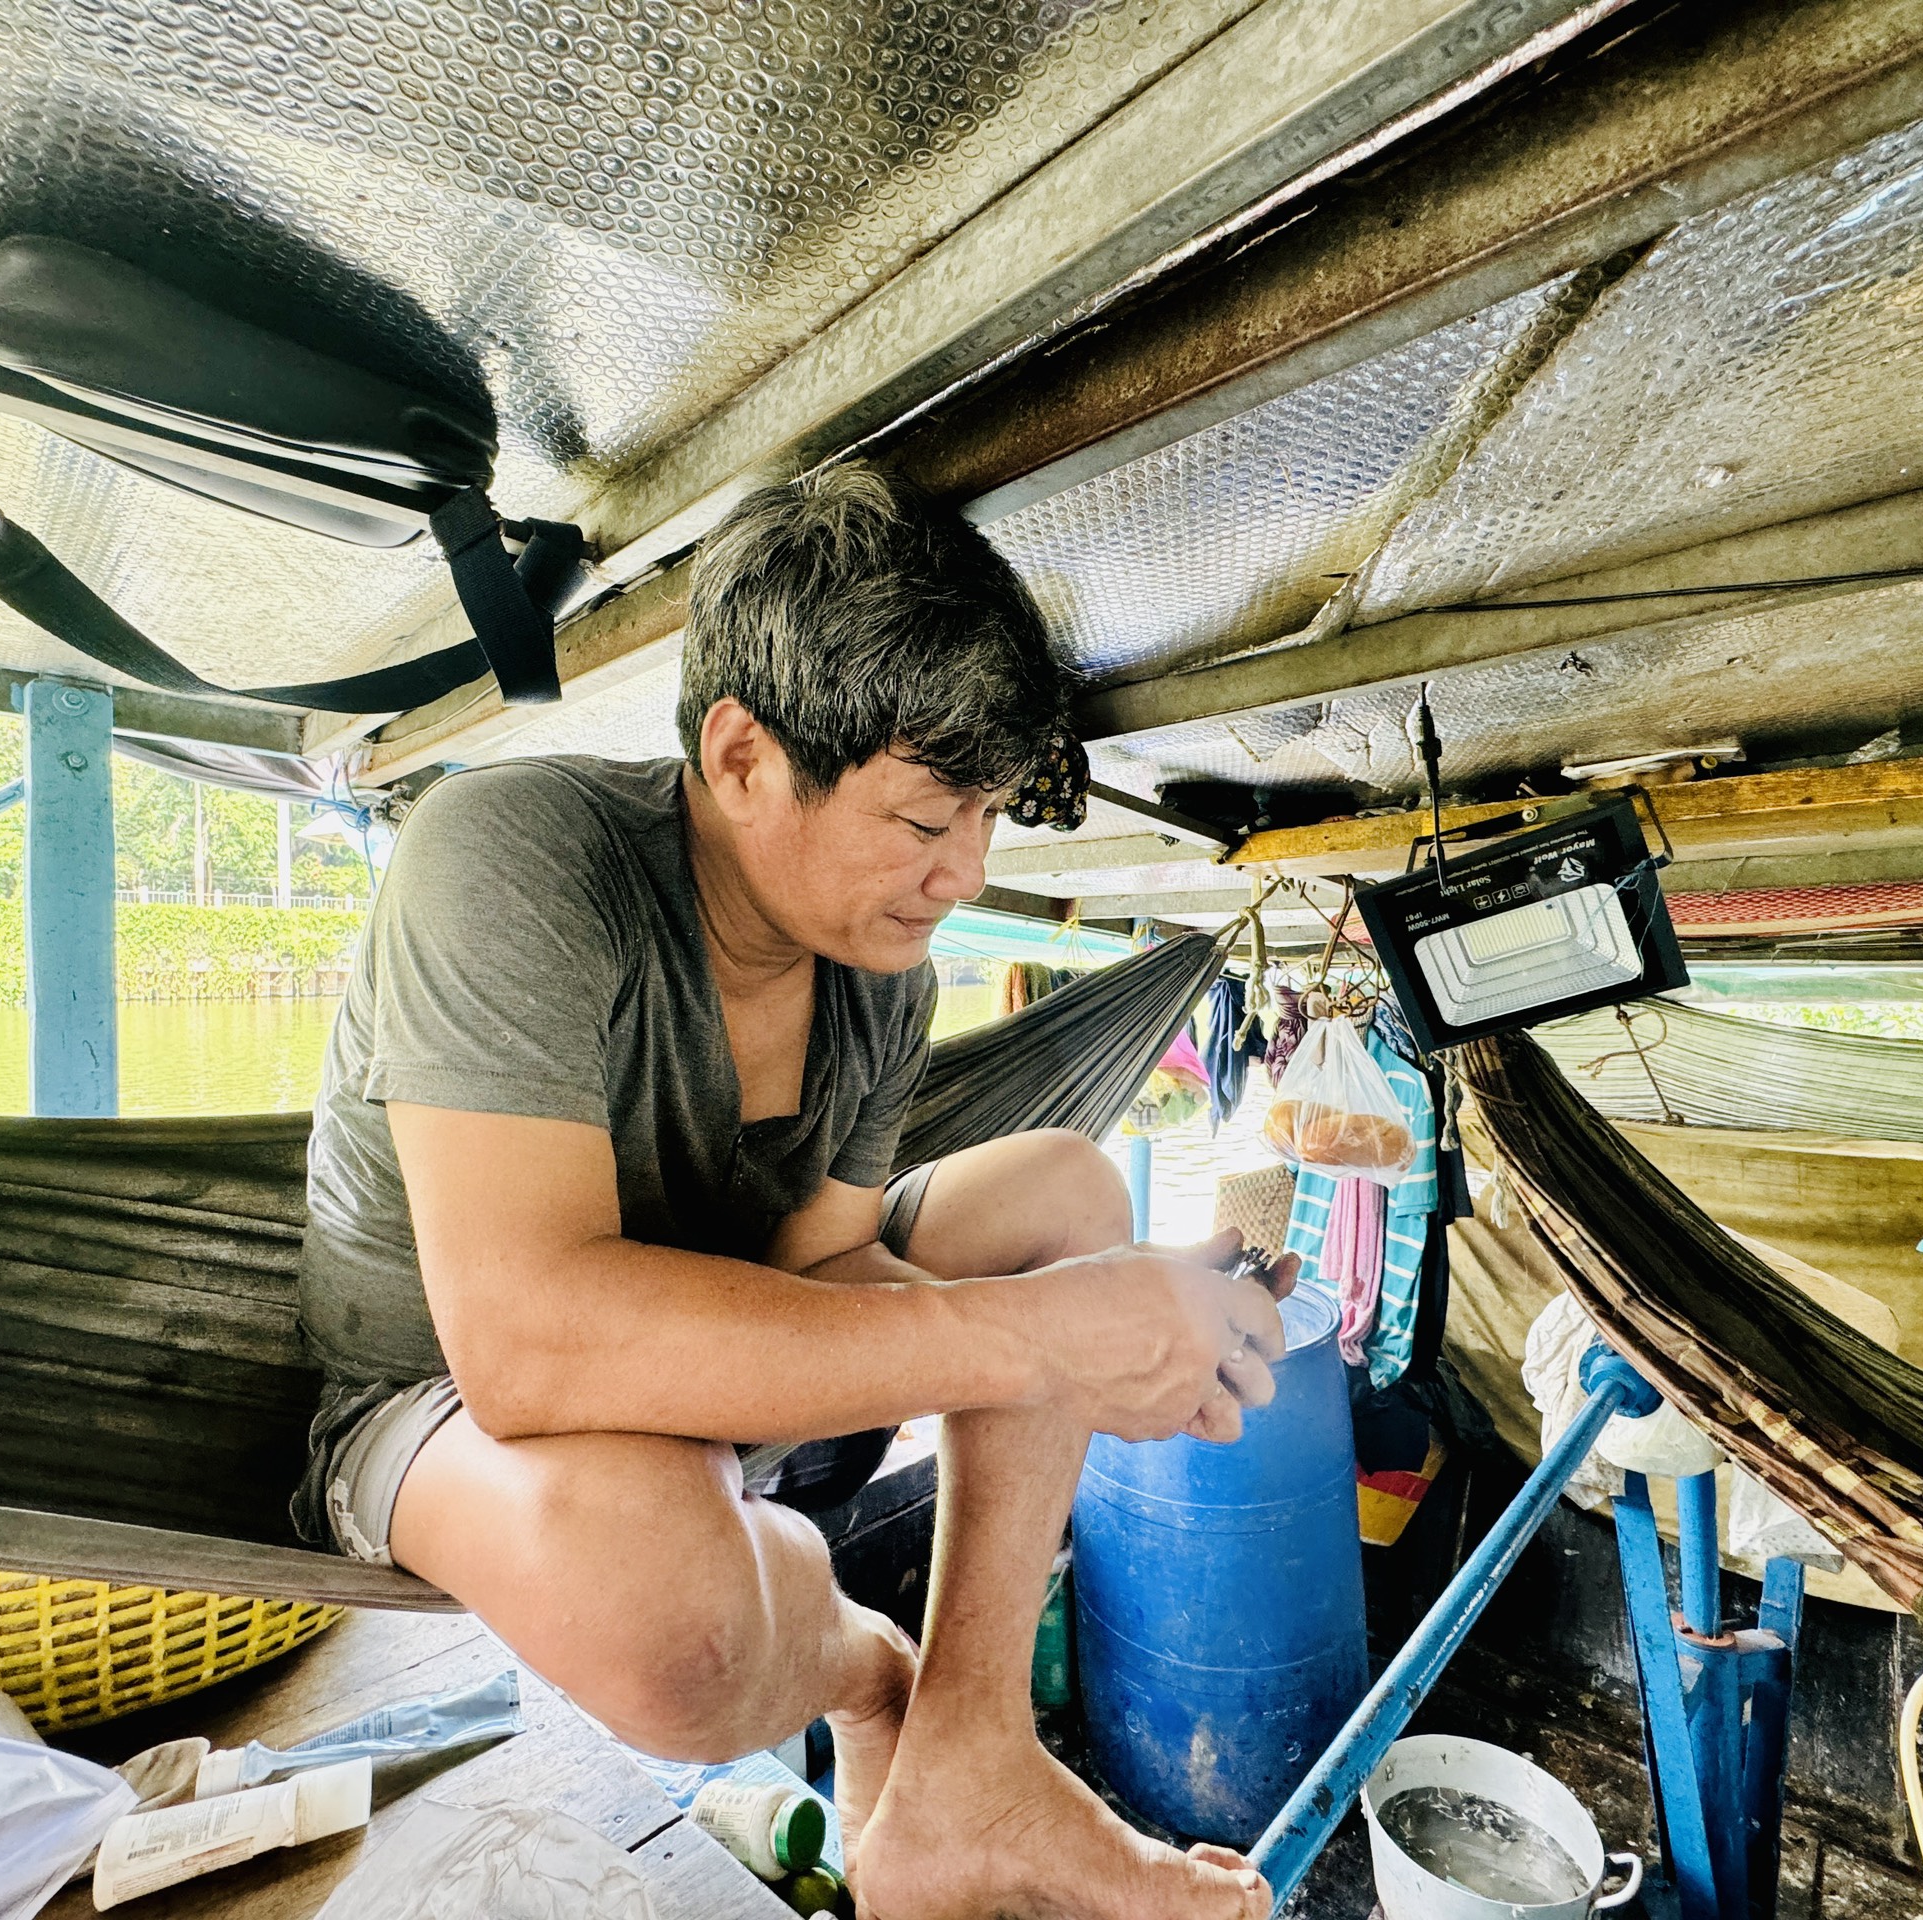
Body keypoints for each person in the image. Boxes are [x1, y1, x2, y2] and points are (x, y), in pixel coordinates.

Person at [295, 464, 1294, 1920]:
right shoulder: (512, 860)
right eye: (924, 817)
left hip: (732, 1342)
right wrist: (1046, 1341)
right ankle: (876, 1676)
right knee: (672, 1624)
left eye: (992, 814)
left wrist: (1122, 1316)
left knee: (1070, 1192)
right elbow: (525, 1349)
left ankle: (969, 1759)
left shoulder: (878, 975)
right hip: (439, 1398)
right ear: (745, 755)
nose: (967, 870)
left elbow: (823, 1267)